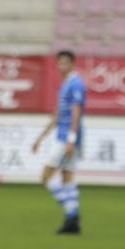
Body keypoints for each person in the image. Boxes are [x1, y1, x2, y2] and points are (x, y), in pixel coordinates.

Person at [31, 50, 86, 234]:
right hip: (63, 137)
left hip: (66, 138)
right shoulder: (65, 85)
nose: (61, 66)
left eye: (65, 63)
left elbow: (76, 112)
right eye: (59, 63)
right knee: (67, 178)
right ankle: (72, 221)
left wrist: (71, 139)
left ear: (72, 64)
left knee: (46, 176)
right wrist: (40, 137)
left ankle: (72, 215)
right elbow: (57, 115)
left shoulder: (76, 83)